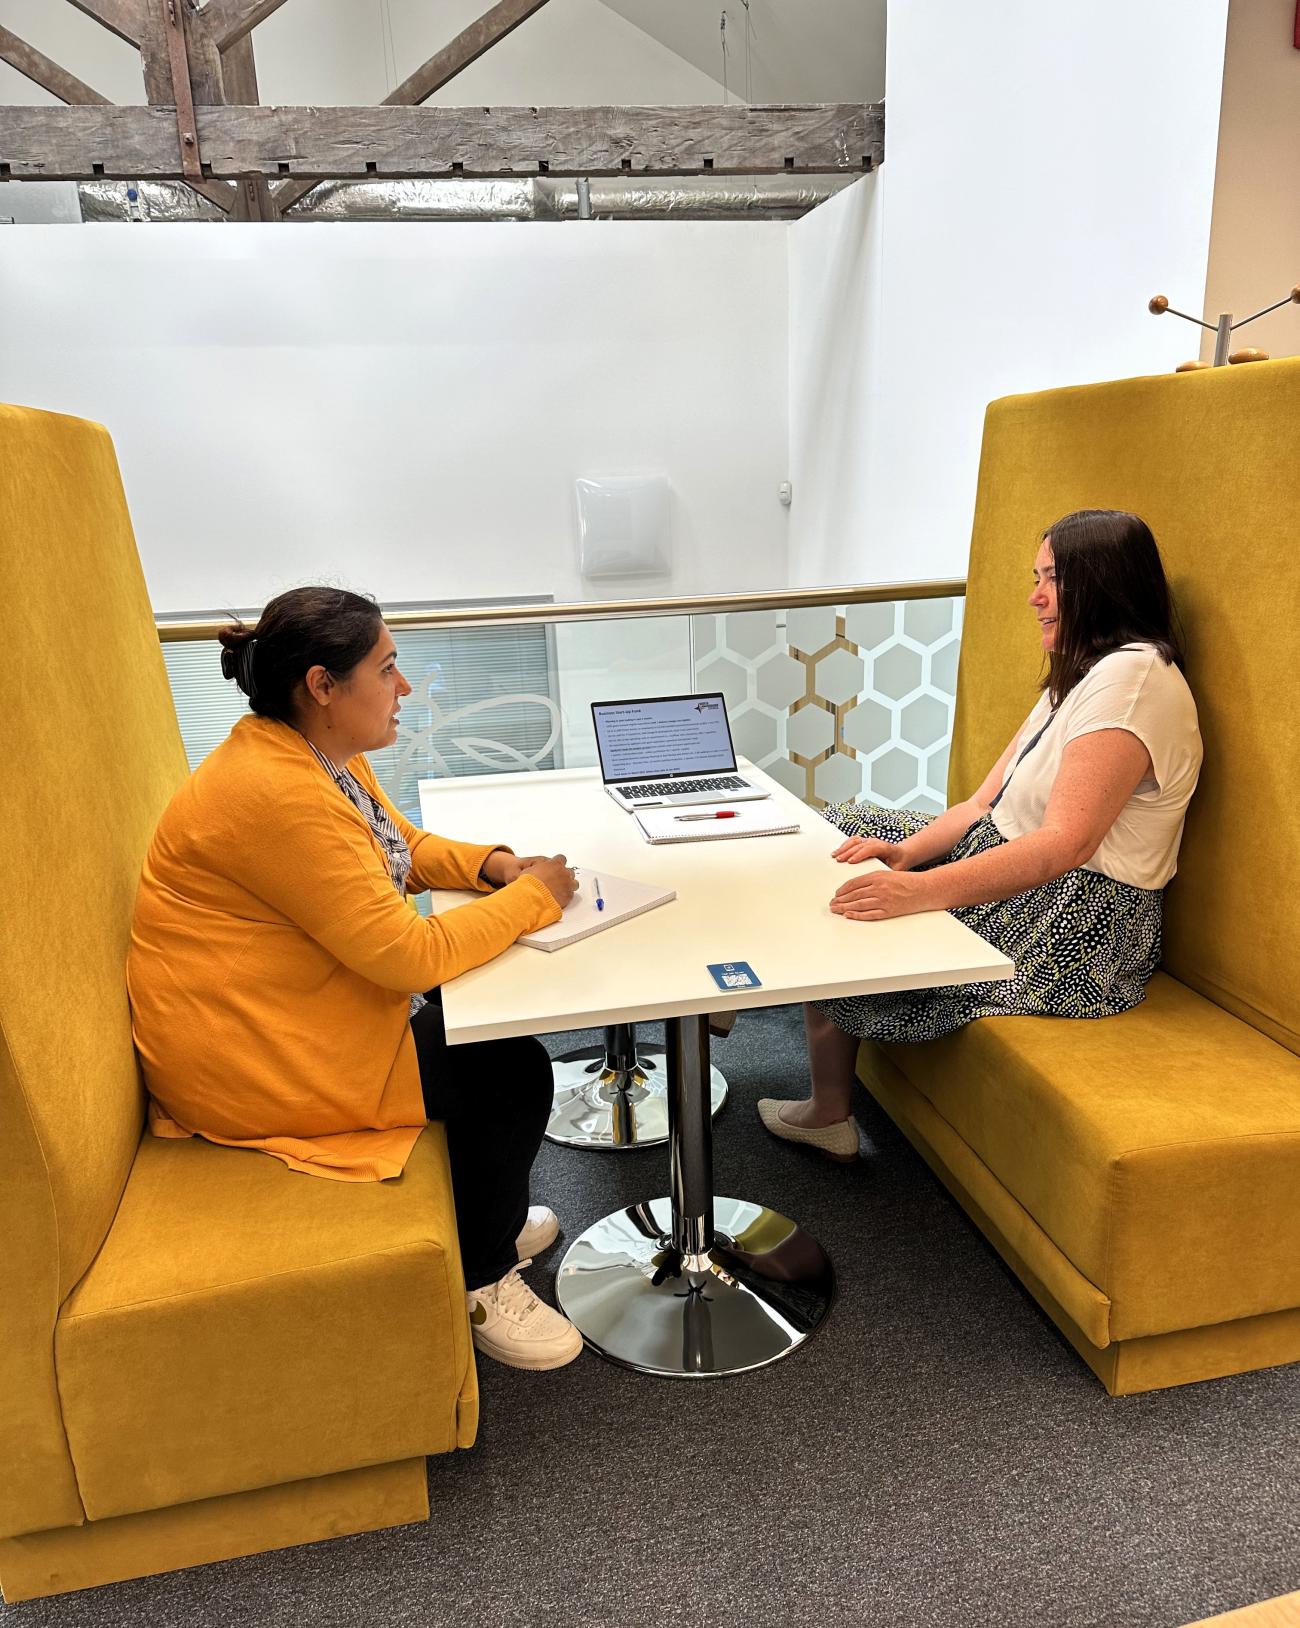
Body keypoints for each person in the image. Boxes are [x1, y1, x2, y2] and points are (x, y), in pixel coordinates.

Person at [129, 586, 585, 1370]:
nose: (404, 686)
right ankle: (482, 1277)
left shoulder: (309, 754)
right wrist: (532, 900)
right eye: (388, 667)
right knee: (508, 1074)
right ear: (322, 686)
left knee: (488, 1027)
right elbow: (406, 955)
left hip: (284, 1006)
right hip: (252, 1056)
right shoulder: (276, 795)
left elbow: (396, 845)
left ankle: (490, 1217)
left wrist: (491, 866)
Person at [758, 509, 1203, 1160]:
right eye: (1036, 577)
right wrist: (907, 854)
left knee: (866, 909)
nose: (1035, 596)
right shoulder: (1085, 671)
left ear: (1103, 585)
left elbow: (1064, 846)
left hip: (1075, 921)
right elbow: (980, 804)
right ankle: (823, 1100)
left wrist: (916, 892)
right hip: (1012, 862)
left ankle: (803, 1078)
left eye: (1052, 579)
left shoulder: (1134, 681)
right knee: (845, 832)